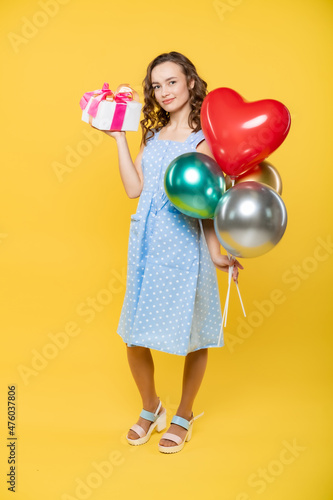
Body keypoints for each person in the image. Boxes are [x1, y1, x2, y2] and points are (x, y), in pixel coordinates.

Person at [97, 51, 243, 453]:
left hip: (184, 245)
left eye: (172, 82)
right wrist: (119, 139)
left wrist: (218, 252)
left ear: (190, 83)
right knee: (133, 334)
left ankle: (184, 413)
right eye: (157, 86)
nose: (163, 92)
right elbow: (133, 189)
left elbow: (210, 200)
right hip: (146, 242)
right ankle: (151, 407)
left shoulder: (206, 140)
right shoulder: (153, 136)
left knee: (194, 335)